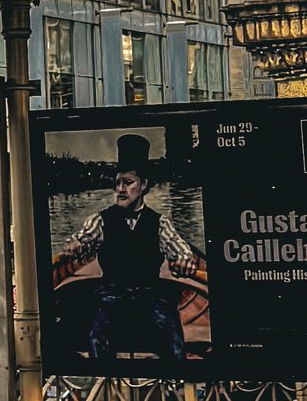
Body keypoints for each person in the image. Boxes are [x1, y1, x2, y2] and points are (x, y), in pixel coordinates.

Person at [59, 137, 204, 366]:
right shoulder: (100, 220)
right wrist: (74, 246)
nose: (120, 189)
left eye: (128, 182)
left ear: (144, 185)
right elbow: (82, 240)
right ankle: (103, 380)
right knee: (97, 334)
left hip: (150, 296)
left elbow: (181, 253)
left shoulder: (160, 223)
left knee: (172, 336)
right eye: (117, 183)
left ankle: (177, 380)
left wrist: (184, 262)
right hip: (111, 295)